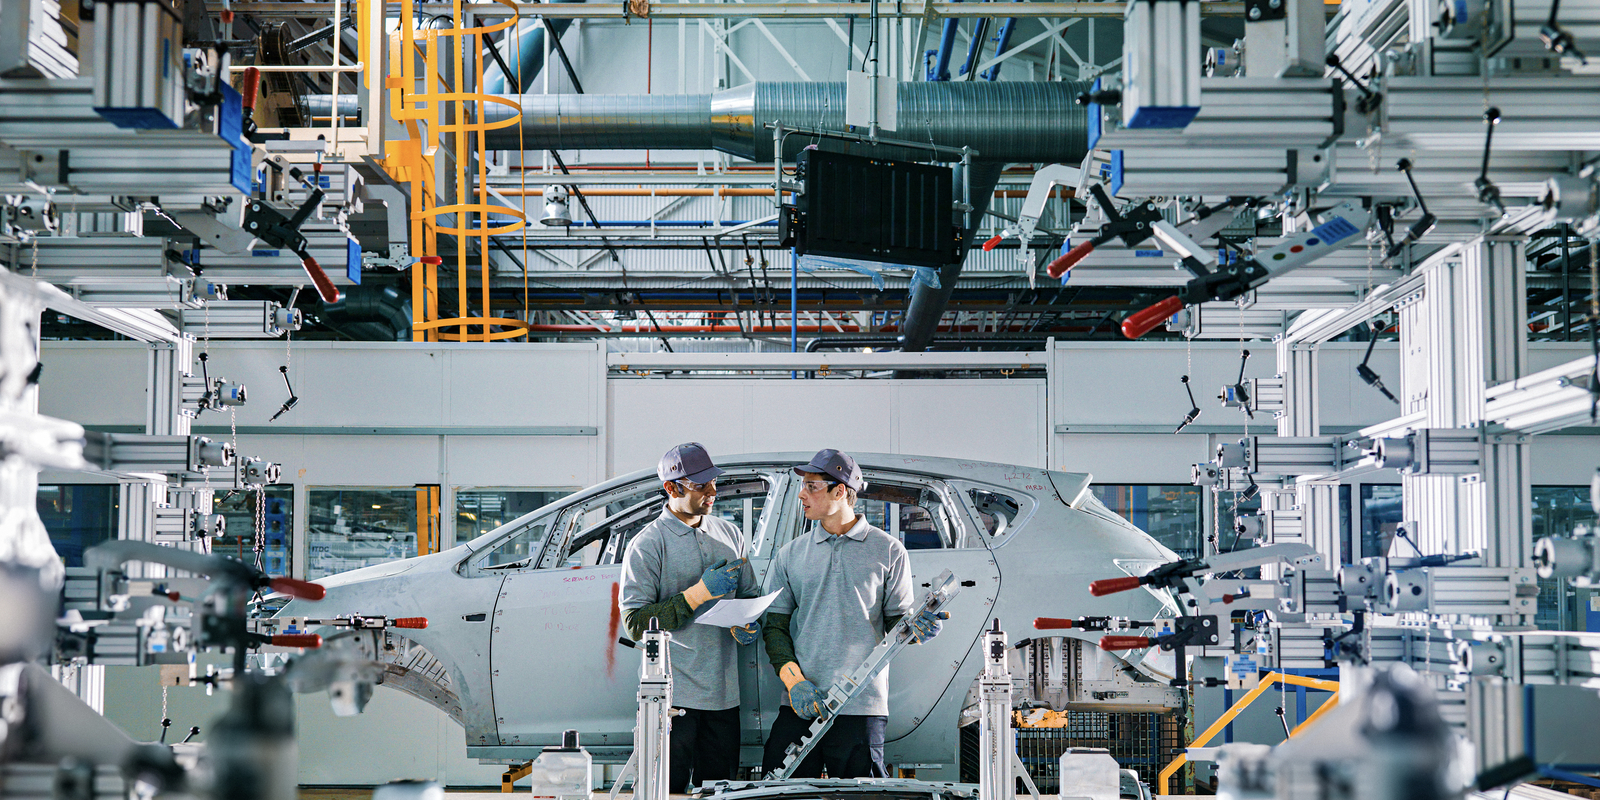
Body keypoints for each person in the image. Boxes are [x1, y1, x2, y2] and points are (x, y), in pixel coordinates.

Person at [760, 449, 949, 779]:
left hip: (861, 706)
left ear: (840, 491)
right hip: (800, 702)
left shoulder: (888, 550)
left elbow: (896, 625)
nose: (802, 494)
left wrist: (916, 631)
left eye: (811, 486)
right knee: (777, 789)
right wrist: (796, 684)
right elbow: (774, 627)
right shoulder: (790, 554)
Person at [619, 443, 760, 792]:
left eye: (713, 482)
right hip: (671, 698)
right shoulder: (648, 544)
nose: (712, 492)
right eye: (701, 486)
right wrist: (698, 593)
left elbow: (749, 596)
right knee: (667, 791)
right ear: (672, 488)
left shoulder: (730, 535)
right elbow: (636, 623)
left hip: (724, 696)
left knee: (720, 792)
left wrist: (748, 622)